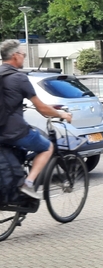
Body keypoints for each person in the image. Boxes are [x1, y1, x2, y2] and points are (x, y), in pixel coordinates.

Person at [0, 39, 73, 200]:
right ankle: (28, 183)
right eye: (23, 54)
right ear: (15, 56)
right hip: (15, 131)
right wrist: (62, 114)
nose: (24, 57)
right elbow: (42, 107)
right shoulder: (19, 78)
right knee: (47, 147)